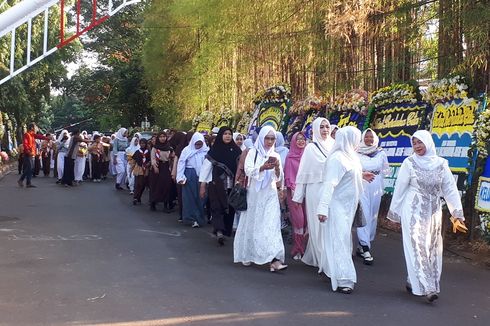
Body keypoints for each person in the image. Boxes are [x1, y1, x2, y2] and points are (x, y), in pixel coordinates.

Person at [387, 130, 465, 303]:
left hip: (434, 212)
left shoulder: (442, 164)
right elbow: (399, 188)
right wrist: (394, 214)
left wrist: (457, 213)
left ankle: (412, 278)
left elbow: (450, 189)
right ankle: (427, 288)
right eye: (414, 143)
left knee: (431, 248)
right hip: (413, 210)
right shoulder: (409, 163)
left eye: (420, 142)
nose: (417, 147)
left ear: (428, 142)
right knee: (417, 245)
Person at [317, 126, 365, 294]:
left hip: (348, 206)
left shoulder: (351, 157)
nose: (358, 143)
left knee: (343, 239)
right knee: (340, 240)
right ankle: (345, 278)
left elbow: (351, 177)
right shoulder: (337, 158)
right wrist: (322, 208)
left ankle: (331, 269)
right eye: (356, 139)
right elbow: (329, 184)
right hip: (336, 206)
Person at [233, 126, 287, 272]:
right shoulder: (252, 153)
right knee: (253, 223)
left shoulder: (275, 155)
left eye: (272, 139)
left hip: (269, 194)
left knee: (272, 225)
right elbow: (248, 169)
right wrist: (262, 167)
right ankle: (248, 253)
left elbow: (279, 177)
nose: (269, 141)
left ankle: (274, 260)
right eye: (267, 138)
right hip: (254, 195)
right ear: (262, 138)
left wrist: (275, 167)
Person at [292, 117, 334, 269]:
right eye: (321, 127)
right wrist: (298, 195)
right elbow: (303, 173)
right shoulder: (311, 148)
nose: (325, 130)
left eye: (327, 127)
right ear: (316, 129)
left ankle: (329, 257)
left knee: (329, 224)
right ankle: (320, 258)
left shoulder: (335, 145)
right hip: (314, 190)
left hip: (331, 190)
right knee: (317, 224)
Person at [199, 127, 242, 244]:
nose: (227, 136)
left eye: (229, 134)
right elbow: (206, 168)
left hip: (232, 185)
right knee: (216, 207)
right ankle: (219, 231)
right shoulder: (214, 151)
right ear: (220, 136)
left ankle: (224, 229)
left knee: (229, 208)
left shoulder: (237, 151)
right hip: (216, 184)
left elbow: (241, 168)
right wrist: (203, 185)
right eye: (225, 134)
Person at [355, 128, 390, 265]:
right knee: (364, 213)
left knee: (373, 215)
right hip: (362, 184)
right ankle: (365, 247)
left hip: (375, 186)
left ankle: (364, 243)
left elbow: (384, 171)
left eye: (371, 137)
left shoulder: (380, 153)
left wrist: (381, 187)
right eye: (366, 137)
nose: (369, 139)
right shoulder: (357, 152)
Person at [177, 132, 209, 227]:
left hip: (202, 176)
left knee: (201, 198)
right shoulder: (187, 150)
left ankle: (199, 218)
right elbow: (181, 163)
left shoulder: (206, 151)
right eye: (197, 144)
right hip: (189, 175)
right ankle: (190, 219)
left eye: (200, 144)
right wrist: (180, 177)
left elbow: (208, 165)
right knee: (189, 198)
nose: (198, 146)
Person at [284, 132, 307, 260]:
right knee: (299, 220)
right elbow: (288, 175)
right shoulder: (290, 156)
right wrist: (293, 189)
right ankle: (297, 248)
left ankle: (304, 248)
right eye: (297, 139)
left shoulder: (308, 155)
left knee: (307, 221)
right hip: (294, 192)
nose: (300, 141)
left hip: (308, 191)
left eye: (303, 139)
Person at [18, 123, 51, 188]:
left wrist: (47, 138)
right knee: (29, 168)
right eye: (35, 127)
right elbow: (25, 144)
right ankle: (23, 180)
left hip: (32, 153)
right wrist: (28, 151)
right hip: (28, 154)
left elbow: (39, 136)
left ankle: (27, 182)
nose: (36, 128)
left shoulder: (32, 134)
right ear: (32, 128)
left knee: (30, 168)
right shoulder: (26, 134)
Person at [149, 132, 173, 211]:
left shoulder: (169, 147)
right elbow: (153, 158)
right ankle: (153, 203)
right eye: (161, 137)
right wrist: (155, 166)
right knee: (156, 185)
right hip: (158, 167)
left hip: (166, 167)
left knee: (166, 185)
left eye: (164, 136)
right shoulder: (155, 148)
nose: (162, 138)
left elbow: (170, 158)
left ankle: (165, 205)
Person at [131, 138, 151, 205]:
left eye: (144, 143)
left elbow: (151, 160)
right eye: (141, 143)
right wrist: (131, 169)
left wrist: (149, 163)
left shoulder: (148, 152)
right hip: (138, 169)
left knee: (142, 184)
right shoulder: (137, 152)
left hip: (146, 169)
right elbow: (133, 160)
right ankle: (135, 198)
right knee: (137, 184)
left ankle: (139, 197)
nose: (142, 145)